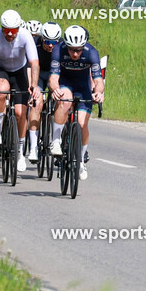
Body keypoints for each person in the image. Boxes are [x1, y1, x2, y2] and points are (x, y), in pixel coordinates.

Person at [0, 9, 42, 172]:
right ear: (2, 28)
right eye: (6, 30)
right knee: (2, 90)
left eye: (13, 31)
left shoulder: (25, 35)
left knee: (20, 113)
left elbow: (34, 63)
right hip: (0, 69)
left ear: (18, 29)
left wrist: (34, 85)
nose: (10, 34)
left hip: (19, 71)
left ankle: (20, 153)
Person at [48, 25, 104, 180]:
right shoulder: (58, 50)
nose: (75, 53)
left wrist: (98, 93)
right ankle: (57, 141)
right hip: (65, 83)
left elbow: (98, 80)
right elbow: (53, 77)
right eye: (72, 49)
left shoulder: (91, 53)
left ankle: (80, 160)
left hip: (83, 87)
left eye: (78, 50)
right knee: (65, 101)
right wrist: (55, 89)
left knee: (81, 123)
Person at [29, 21, 62, 162]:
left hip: (55, 74)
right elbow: (29, 67)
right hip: (39, 73)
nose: (50, 45)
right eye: (47, 41)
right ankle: (33, 147)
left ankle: (61, 141)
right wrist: (33, 86)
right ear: (41, 38)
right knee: (37, 104)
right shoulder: (34, 44)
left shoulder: (63, 46)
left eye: (54, 42)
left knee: (62, 101)